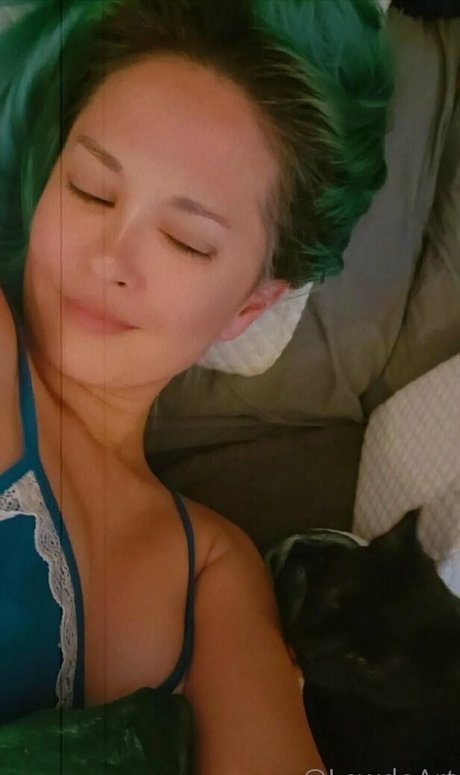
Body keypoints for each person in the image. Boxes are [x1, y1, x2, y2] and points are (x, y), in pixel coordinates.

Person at [0, 0, 393, 772]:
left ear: (248, 307)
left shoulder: (214, 569)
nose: (109, 257)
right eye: (89, 189)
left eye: (186, 240)